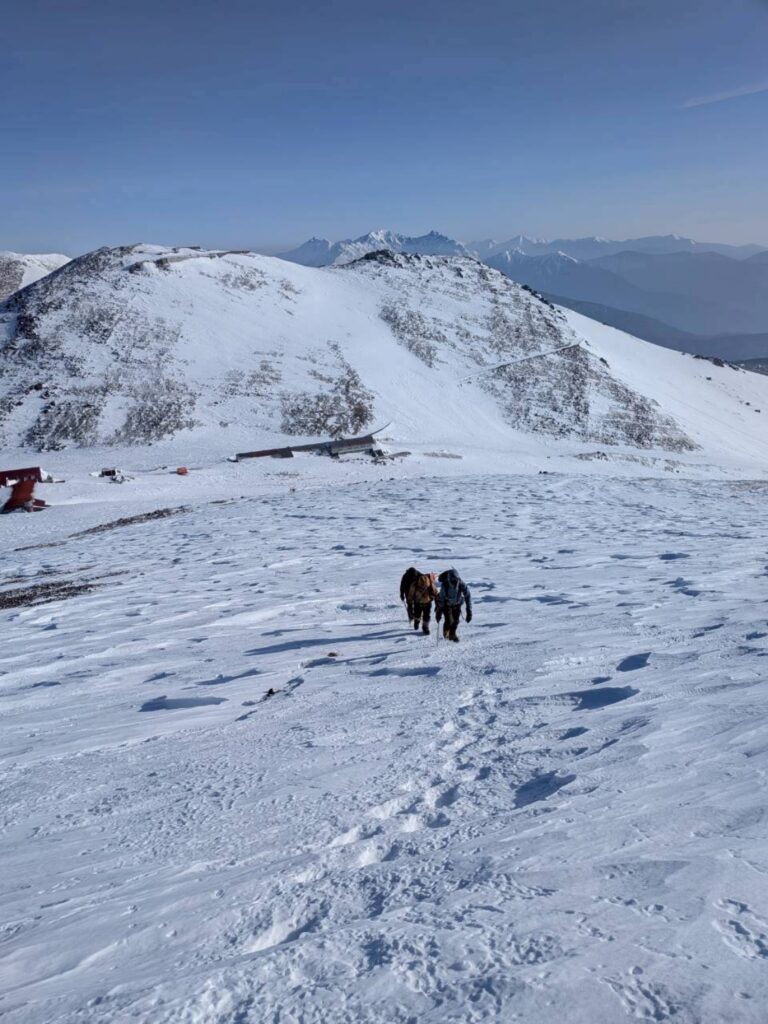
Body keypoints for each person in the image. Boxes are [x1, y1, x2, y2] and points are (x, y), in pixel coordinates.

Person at [435, 568, 472, 642]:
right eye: (453, 580)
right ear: (449, 579)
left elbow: (467, 595)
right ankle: (446, 630)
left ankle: (452, 635)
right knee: (449, 620)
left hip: (457, 604)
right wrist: (439, 611)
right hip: (447, 605)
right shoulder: (445, 586)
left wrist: (469, 610)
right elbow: (441, 598)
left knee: (456, 621)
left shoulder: (461, 584)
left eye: (456, 579)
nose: (455, 581)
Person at [399, 567, 438, 635]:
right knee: (417, 614)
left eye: (425, 586)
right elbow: (404, 587)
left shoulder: (424, 579)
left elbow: (435, 592)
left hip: (427, 602)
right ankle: (415, 621)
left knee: (426, 616)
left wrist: (434, 598)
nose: (423, 587)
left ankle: (425, 627)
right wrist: (403, 594)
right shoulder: (409, 580)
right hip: (417, 601)